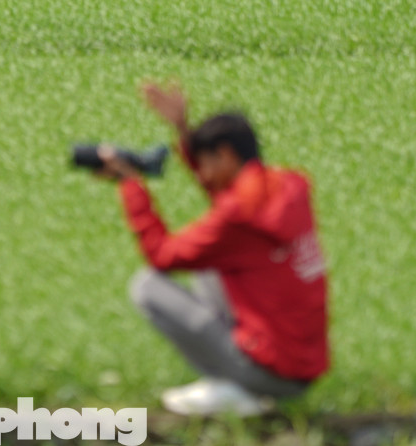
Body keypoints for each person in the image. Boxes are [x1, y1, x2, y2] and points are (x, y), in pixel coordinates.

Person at [96, 83, 329, 417]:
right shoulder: (288, 186)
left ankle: (234, 388)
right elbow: (231, 196)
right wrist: (182, 129)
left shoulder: (238, 217)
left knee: (148, 287)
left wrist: (130, 184)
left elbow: (162, 255)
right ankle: (240, 386)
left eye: (206, 163)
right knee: (209, 265)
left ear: (227, 156)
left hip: (270, 373)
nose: (202, 174)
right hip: (303, 367)